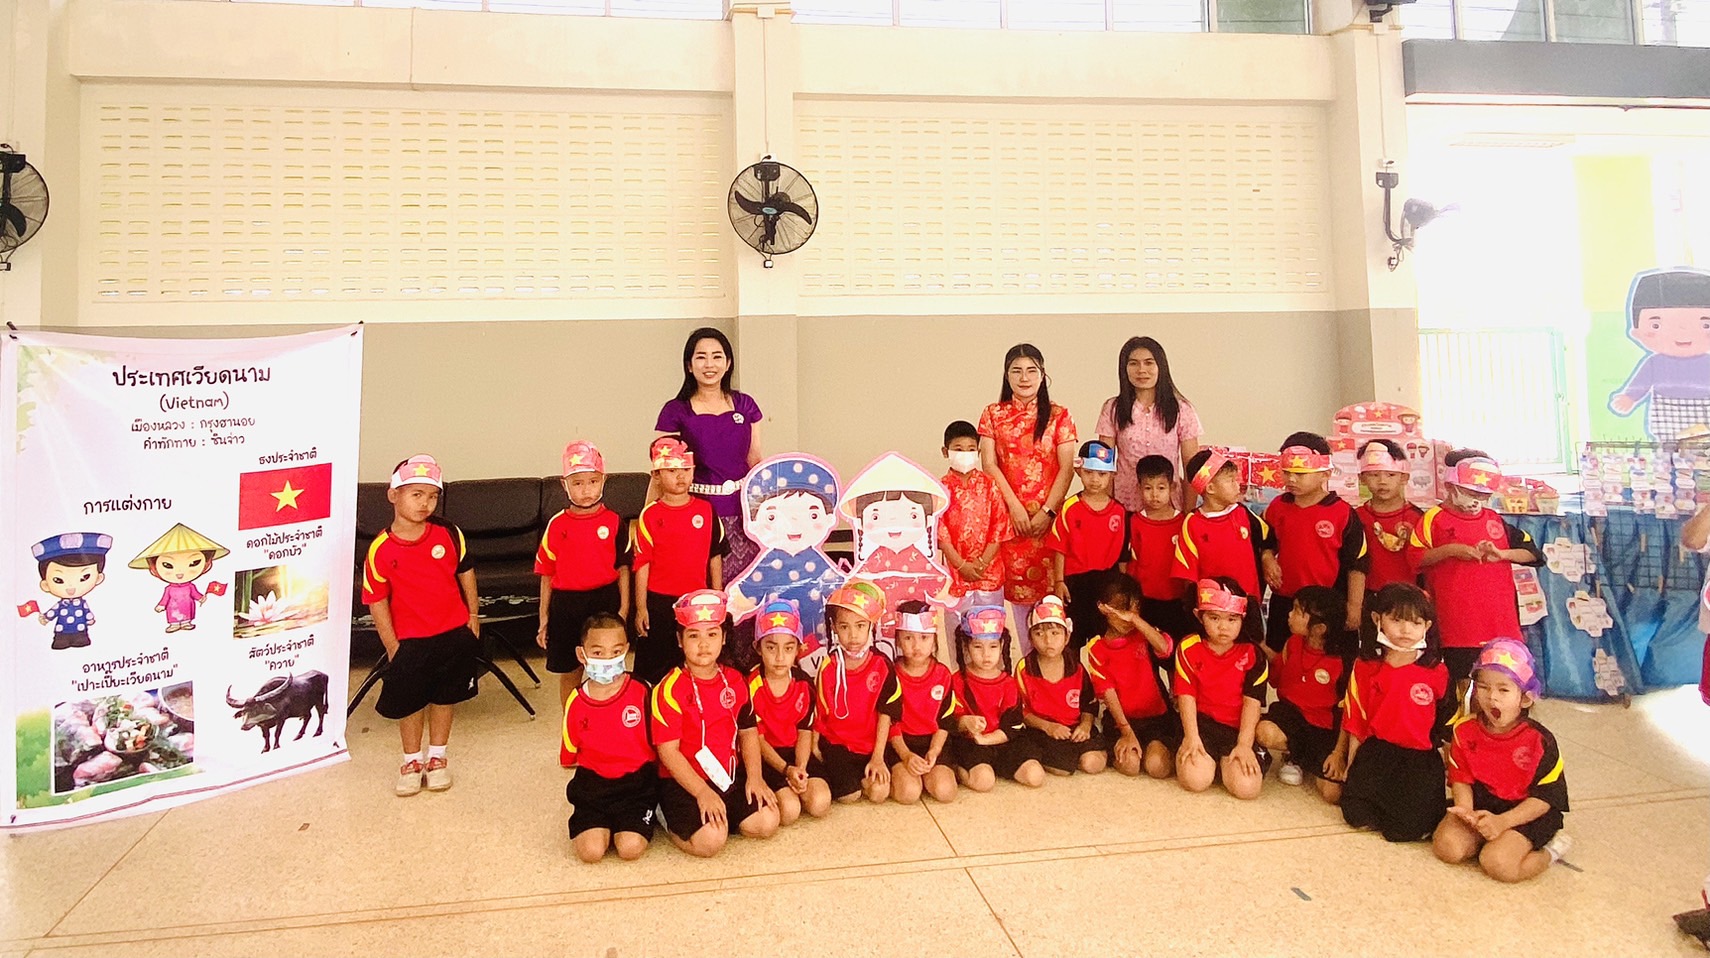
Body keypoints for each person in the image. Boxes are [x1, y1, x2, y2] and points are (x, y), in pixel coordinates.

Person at [361, 455, 482, 797]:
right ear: (393, 495)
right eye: (416, 494)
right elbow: (376, 599)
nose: (425, 503)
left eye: (432, 496)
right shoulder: (380, 549)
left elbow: (466, 572)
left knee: (445, 697)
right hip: (409, 640)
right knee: (411, 702)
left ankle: (438, 757)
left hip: (452, 632)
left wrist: (473, 617)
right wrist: (392, 645)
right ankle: (412, 761)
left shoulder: (448, 533)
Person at [650, 590, 779, 858]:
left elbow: (748, 732)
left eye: (712, 634)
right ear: (679, 640)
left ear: (724, 637)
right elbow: (668, 752)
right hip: (683, 781)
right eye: (693, 636)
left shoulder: (735, 680)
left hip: (727, 774)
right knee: (710, 842)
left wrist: (755, 778)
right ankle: (666, 816)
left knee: (767, 821)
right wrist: (702, 793)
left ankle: (721, 816)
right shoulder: (668, 688)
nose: (703, 644)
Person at [1434, 638, 1573, 882]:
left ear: (1525, 698)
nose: (1492, 698)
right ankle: (1490, 839)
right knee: (1448, 847)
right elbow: (1461, 778)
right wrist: (1467, 813)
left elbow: (1546, 798)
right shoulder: (1464, 730)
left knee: (1498, 864)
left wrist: (1502, 823)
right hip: (1484, 802)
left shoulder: (1540, 740)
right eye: (1484, 687)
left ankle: (1550, 851)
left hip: (1526, 812)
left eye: (1504, 690)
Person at [1407, 454, 1543, 693]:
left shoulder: (1495, 519)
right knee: (1461, 686)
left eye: (1483, 495)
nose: (1477, 499)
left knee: (1504, 683)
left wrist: (1502, 554)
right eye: (1470, 492)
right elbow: (1415, 558)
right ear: (1450, 486)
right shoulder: (1433, 519)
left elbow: (1533, 555)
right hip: (1456, 626)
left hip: (1501, 625)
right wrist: (1451, 550)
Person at [979, 343, 1078, 647]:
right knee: (1016, 611)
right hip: (1011, 524)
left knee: (1051, 609)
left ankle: (1050, 670)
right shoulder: (993, 414)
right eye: (1016, 371)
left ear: (1043, 374)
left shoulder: (1059, 415)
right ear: (1006, 375)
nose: (1024, 378)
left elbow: (1067, 468)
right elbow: (989, 465)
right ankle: (1022, 668)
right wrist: (1015, 509)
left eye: (1031, 370)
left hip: (1048, 526)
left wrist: (1048, 512)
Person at [1340, 583, 1453, 843]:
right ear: (1377, 619)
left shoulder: (1437, 671)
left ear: (1427, 626)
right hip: (1376, 752)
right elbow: (1356, 719)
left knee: (1402, 832)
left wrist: (1452, 776)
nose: (1405, 630)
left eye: (1415, 623)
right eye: (1397, 620)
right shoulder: (1366, 665)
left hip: (1418, 759)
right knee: (1356, 816)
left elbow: (1448, 726)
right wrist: (1351, 766)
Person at [654, 327, 764, 572]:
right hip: (692, 510)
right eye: (701, 357)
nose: (709, 364)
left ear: (728, 363)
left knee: (742, 584)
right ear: (689, 365)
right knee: (696, 579)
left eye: (717, 356)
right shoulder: (675, 411)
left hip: (743, 512)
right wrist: (648, 515)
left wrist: (766, 510)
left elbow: (755, 460)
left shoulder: (745, 405)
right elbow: (664, 470)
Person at [537, 440, 632, 720]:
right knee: (571, 670)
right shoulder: (557, 524)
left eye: (593, 481)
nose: (586, 490)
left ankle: (609, 718)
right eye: (577, 483)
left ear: (604, 480)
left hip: (604, 600)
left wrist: (624, 608)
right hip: (566, 605)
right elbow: (547, 573)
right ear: (564, 484)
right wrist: (544, 617)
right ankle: (572, 721)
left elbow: (623, 568)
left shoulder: (614, 521)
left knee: (609, 666)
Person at [632, 436, 728, 685]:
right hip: (659, 603)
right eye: (672, 470)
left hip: (697, 602)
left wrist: (717, 596)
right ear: (656, 475)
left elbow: (715, 556)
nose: (680, 476)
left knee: (695, 663)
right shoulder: (649, 515)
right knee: (654, 669)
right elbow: (642, 564)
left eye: (685, 469)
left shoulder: (706, 510)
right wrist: (641, 607)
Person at [562, 612, 656, 863]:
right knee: (591, 853)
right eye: (598, 652)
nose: (608, 659)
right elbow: (569, 752)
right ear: (582, 655)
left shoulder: (642, 690)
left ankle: (647, 815)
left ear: (626, 649)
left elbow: (659, 741)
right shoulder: (576, 701)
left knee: (630, 849)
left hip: (637, 787)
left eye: (616, 652)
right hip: (593, 788)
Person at [1261, 433, 1367, 650]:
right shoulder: (1278, 506)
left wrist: (1354, 607)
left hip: (1328, 605)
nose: (1292, 479)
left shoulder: (1343, 513)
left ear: (1325, 474)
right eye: (1287, 472)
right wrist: (1267, 558)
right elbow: (1266, 543)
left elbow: (1357, 564)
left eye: (1300, 474)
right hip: (1285, 602)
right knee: (1282, 658)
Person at [1172, 577, 1271, 800]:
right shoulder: (1188, 647)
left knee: (1247, 789)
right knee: (1195, 780)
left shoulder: (1254, 655)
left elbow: (1252, 703)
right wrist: (1192, 737)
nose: (1223, 627)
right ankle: (1209, 762)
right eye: (1214, 618)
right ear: (1199, 616)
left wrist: (1244, 745)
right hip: (1201, 725)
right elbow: (1186, 695)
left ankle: (1225, 763)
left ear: (1243, 618)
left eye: (1232, 619)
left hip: (1236, 729)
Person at [1254, 586, 1349, 802]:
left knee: (1332, 793)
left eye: (1298, 611)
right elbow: (1275, 677)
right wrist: (1259, 646)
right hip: (1290, 715)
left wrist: (1338, 753)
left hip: (1323, 728)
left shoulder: (1342, 662)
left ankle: (1302, 757)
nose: (1290, 615)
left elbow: (1347, 713)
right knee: (1264, 732)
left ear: (1320, 628)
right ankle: (1292, 756)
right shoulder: (1293, 643)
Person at [746, 599, 832, 825]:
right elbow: (757, 740)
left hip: (796, 754)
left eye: (788, 648)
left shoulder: (804, 684)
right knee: (789, 811)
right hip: (767, 758)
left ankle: (798, 782)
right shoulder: (750, 686)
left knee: (820, 802)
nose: (779, 657)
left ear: (799, 649)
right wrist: (786, 770)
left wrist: (800, 768)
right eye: (771, 647)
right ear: (758, 647)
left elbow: (805, 731)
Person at [1087, 575, 1179, 779]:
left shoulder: (1144, 635)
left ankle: (1157, 748)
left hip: (1156, 718)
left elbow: (1165, 648)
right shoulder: (1097, 647)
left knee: (1157, 767)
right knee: (1130, 766)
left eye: (1133, 609)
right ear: (1102, 607)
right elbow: (1107, 692)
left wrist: (1136, 620)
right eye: (1120, 610)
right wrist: (1126, 731)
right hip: (1121, 721)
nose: (1126, 617)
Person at [1097, 336, 1203, 511]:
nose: (1141, 370)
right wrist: (1106, 510)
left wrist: (1189, 512)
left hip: (1169, 508)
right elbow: (1103, 464)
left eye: (1149, 363)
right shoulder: (1112, 408)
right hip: (1125, 506)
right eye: (1133, 363)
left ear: (1161, 366)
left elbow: (1191, 467)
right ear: (1124, 369)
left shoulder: (1182, 409)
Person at [813, 581, 893, 804]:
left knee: (879, 793)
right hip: (837, 745)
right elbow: (818, 713)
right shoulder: (828, 666)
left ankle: (861, 778)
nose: (853, 635)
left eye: (860, 625)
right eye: (844, 627)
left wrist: (878, 757)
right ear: (834, 627)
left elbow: (887, 712)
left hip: (871, 746)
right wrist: (814, 748)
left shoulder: (882, 665)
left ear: (870, 626)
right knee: (849, 796)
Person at [1607, 267, 1710, 441]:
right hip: (1666, 409)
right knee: (1669, 444)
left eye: (1705, 325)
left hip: (1705, 408)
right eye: (1656, 325)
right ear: (1637, 333)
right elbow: (1642, 382)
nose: (1682, 333)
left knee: (1703, 444)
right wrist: (1630, 397)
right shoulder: (1654, 363)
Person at [949, 606, 1046, 790]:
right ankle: (961, 769)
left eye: (993, 646)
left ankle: (996, 766)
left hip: (1003, 740)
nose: (986, 654)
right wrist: (965, 722)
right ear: (966, 647)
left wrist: (987, 739)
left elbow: (1012, 725)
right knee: (984, 782)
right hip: (970, 743)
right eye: (978, 646)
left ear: (1002, 646)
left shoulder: (1008, 683)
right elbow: (950, 721)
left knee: (1035, 776)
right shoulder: (956, 680)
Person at [1046, 439, 1128, 651]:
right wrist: (1059, 581)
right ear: (1078, 471)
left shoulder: (1119, 511)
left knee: (1105, 640)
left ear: (1112, 475)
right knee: (1073, 639)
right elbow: (1059, 547)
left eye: (1102, 474)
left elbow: (1123, 555)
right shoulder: (1069, 508)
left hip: (1108, 582)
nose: (1095, 479)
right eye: (1089, 472)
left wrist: (1123, 588)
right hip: (1076, 583)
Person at [1015, 596, 1107, 776]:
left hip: (1074, 727)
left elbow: (1088, 703)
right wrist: (1048, 727)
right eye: (1039, 634)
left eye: (1055, 633)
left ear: (1067, 637)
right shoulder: (1025, 669)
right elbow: (1021, 712)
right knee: (1062, 768)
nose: (1048, 641)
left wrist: (1085, 725)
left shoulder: (1076, 668)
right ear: (1030, 639)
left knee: (1093, 764)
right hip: (1042, 730)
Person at [880, 601, 959, 804]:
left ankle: (942, 772)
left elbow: (945, 720)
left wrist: (934, 751)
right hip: (900, 743)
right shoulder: (891, 674)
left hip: (933, 741)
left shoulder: (943, 674)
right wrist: (906, 755)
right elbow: (890, 723)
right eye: (908, 638)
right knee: (908, 794)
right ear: (898, 640)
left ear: (934, 640)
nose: (916, 646)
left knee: (945, 792)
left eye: (924, 638)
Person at [1173, 449, 1276, 601]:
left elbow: (1268, 538)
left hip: (1249, 603)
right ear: (1210, 488)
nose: (1238, 485)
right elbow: (1187, 573)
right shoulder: (1192, 523)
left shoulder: (1242, 512)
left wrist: (1267, 557)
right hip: (1212, 607)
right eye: (1230, 480)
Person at [940, 420, 1013, 626]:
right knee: (958, 633)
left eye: (971, 449)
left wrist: (981, 564)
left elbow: (1000, 526)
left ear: (978, 452)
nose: (965, 454)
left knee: (991, 631)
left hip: (990, 574)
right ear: (945, 452)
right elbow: (940, 533)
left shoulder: (990, 485)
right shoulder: (940, 489)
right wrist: (962, 565)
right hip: (955, 575)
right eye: (958, 449)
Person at [1125, 455, 1194, 643]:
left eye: (1161, 488)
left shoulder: (1185, 522)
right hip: (1145, 600)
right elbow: (1132, 564)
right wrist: (1132, 599)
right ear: (1139, 488)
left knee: (1175, 650)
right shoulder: (1134, 522)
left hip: (1177, 600)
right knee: (1146, 650)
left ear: (1173, 487)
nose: (1154, 495)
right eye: (1148, 488)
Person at [1353, 440, 1423, 595]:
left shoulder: (1418, 518)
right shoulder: (1356, 517)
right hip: (1368, 595)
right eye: (1374, 475)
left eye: (1391, 475)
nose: (1382, 482)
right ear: (1362, 478)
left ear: (1404, 477)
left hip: (1409, 596)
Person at [30, 532, 112, 650]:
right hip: (62, 630)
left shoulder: (81, 603)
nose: (71, 587)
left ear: (98, 578)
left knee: (81, 639)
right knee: (61, 641)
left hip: (80, 629)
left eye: (84, 577)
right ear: (45, 585)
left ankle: (80, 639)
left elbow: (86, 611)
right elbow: (54, 611)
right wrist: (46, 618)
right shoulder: (62, 604)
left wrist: (90, 619)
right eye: (58, 580)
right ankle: (62, 640)